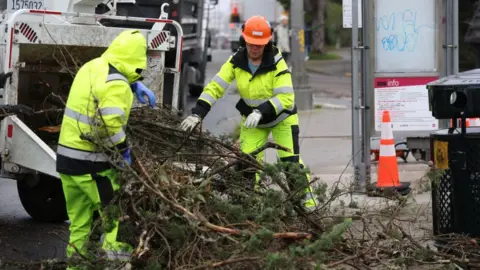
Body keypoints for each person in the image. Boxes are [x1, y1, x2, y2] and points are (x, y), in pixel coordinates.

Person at [180, 15, 317, 210]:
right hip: (254, 122)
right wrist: (197, 113)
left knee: (290, 162)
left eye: (259, 45)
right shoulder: (235, 62)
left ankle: (307, 204)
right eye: (251, 43)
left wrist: (261, 111)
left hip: (282, 120)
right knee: (246, 164)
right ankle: (245, 206)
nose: (255, 49)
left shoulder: (277, 63)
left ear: (267, 43)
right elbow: (215, 87)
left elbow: (286, 99)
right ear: (244, 40)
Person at [55, 29, 157, 266]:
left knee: (79, 225)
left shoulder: (93, 66)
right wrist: (124, 151)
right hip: (90, 167)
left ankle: (75, 267)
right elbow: (110, 125)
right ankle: (116, 266)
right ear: (137, 59)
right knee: (116, 219)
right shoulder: (118, 85)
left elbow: (98, 91)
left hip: (67, 162)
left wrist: (134, 86)